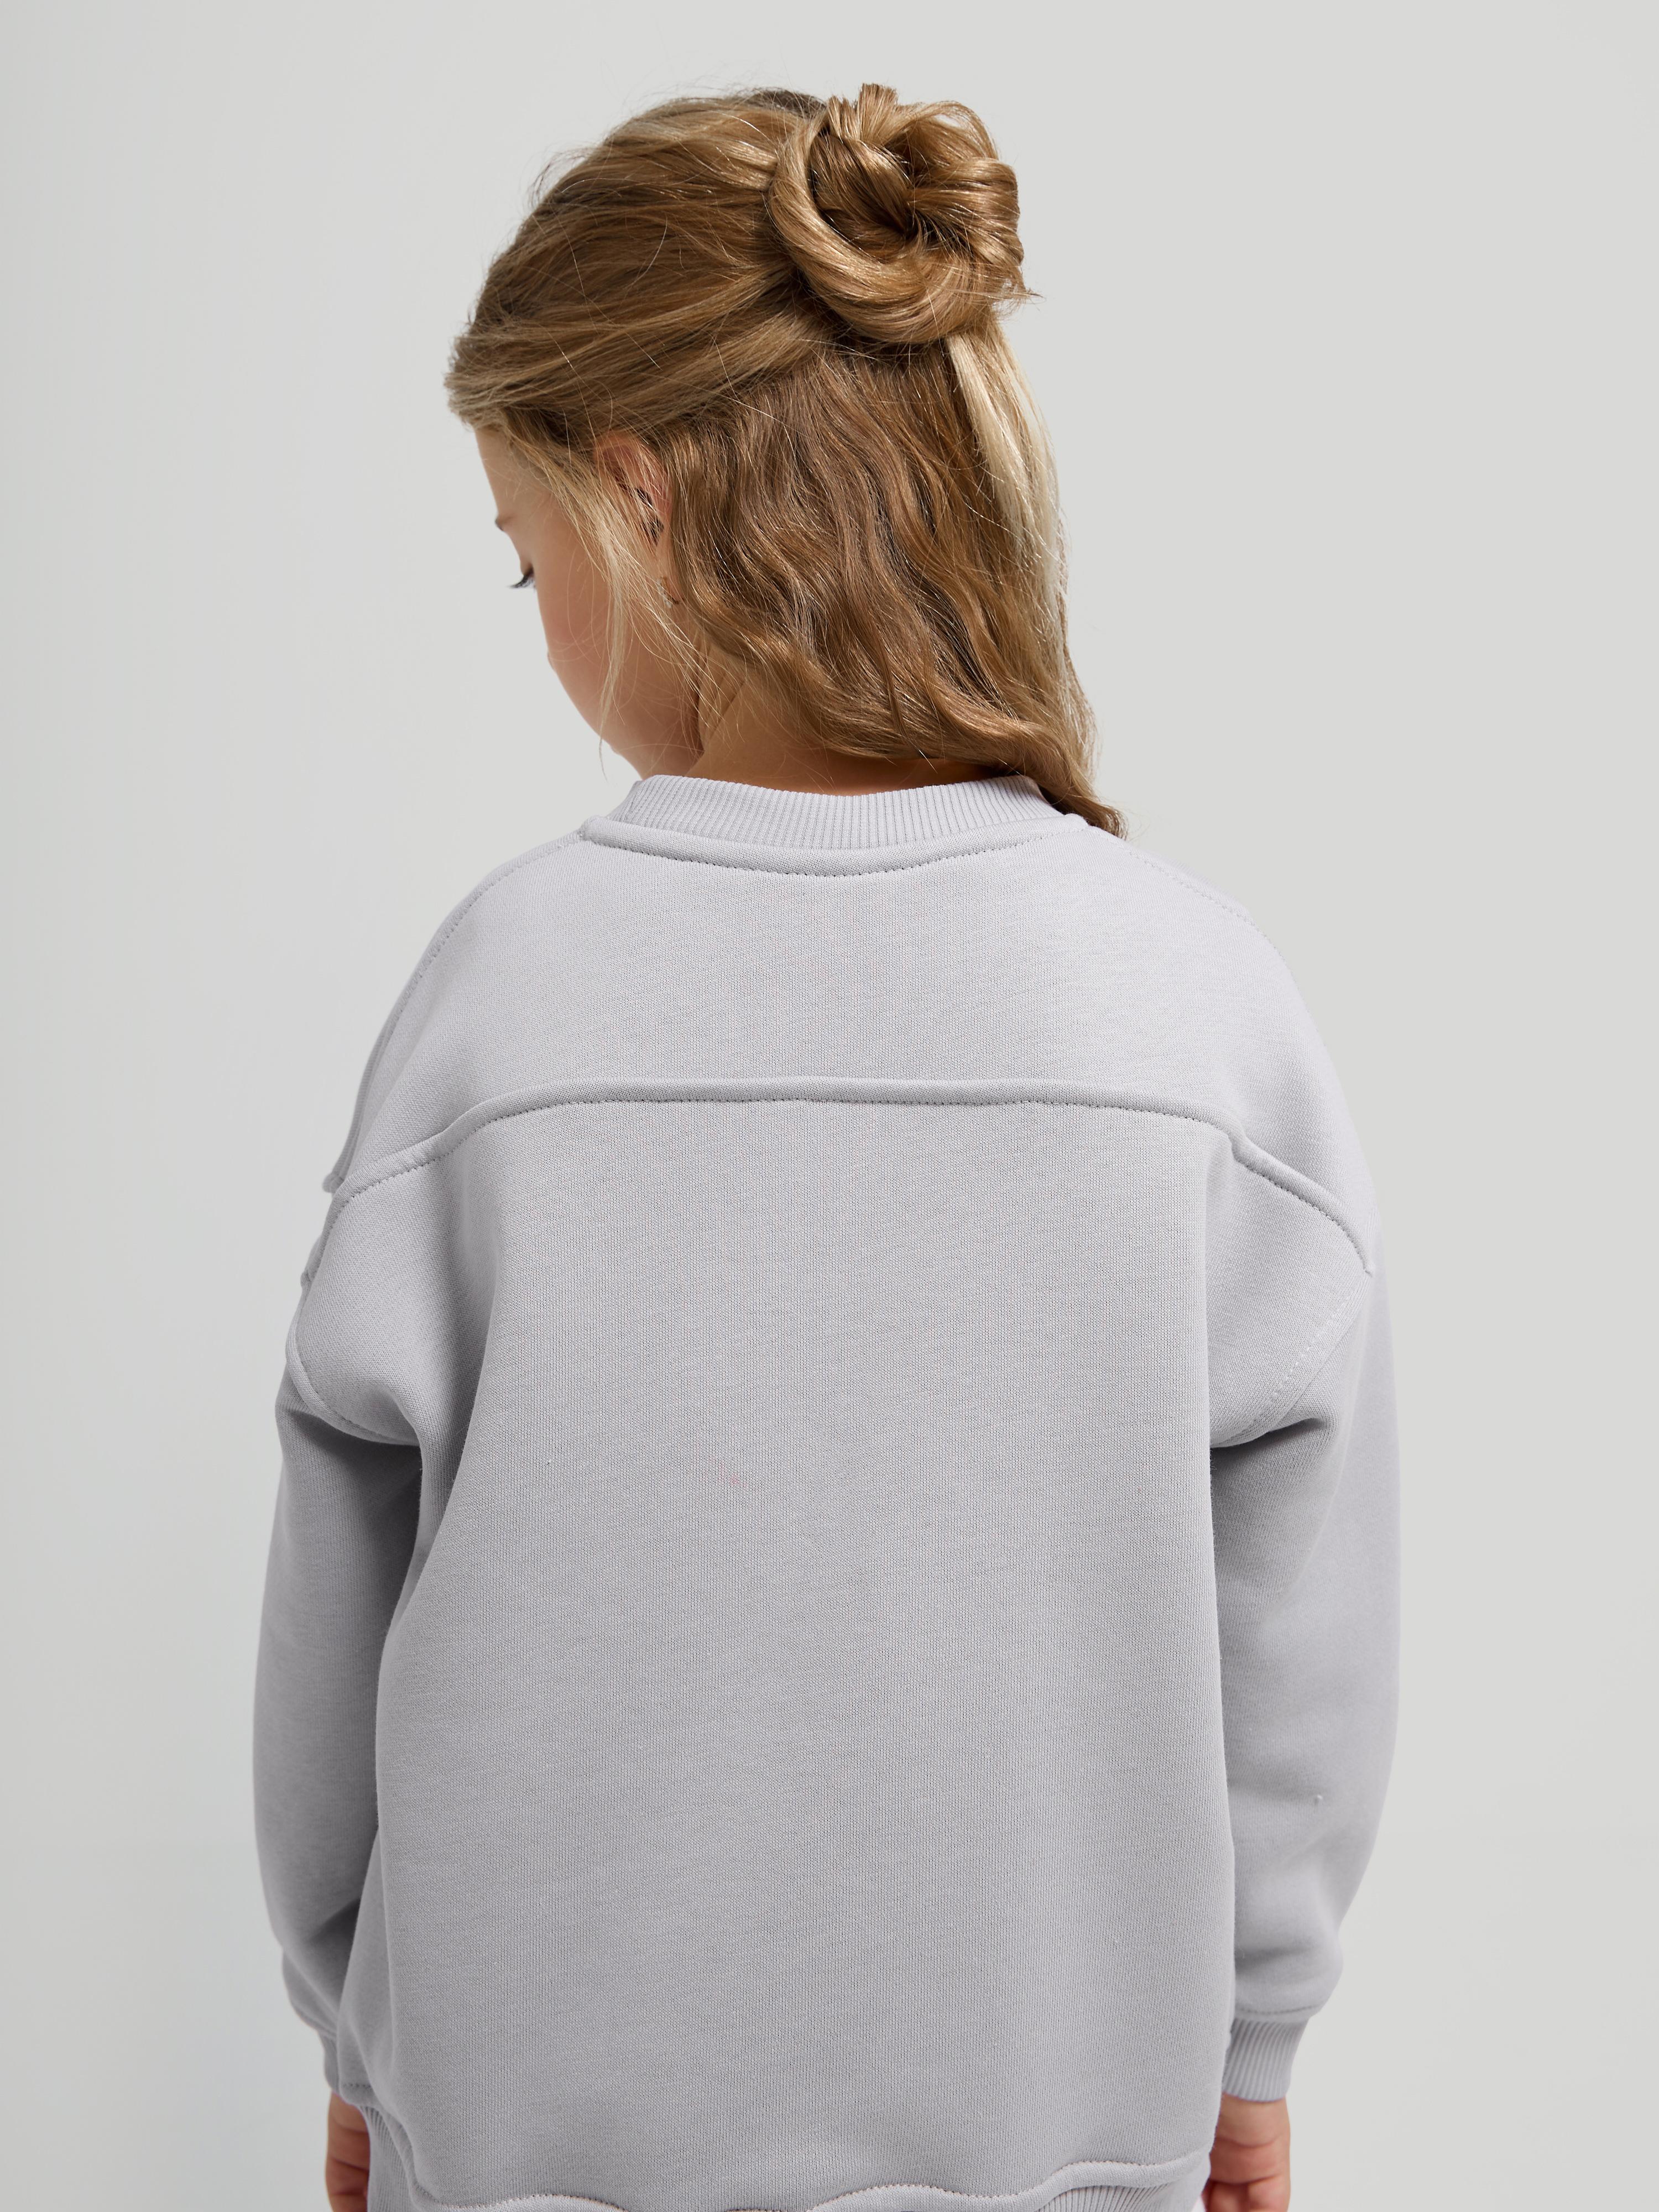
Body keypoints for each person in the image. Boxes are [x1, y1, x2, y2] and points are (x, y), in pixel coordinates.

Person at [253, 84, 1399, 2212]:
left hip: (521, 2153)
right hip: (1063, 2150)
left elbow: (344, 1596)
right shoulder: (1193, 1003)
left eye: (523, 553)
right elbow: (1299, 1622)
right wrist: (1248, 2044)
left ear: (638, 492)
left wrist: (359, 2032)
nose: (535, 612)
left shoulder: (501, 996)